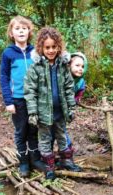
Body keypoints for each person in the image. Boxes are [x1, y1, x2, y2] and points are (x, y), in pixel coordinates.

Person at [24, 27, 81, 180]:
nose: (50, 50)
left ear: (58, 47)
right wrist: (33, 112)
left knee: (62, 136)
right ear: (41, 48)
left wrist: (70, 107)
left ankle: (66, 161)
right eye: (47, 47)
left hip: (60, 111)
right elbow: (30, 91)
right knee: (45, 139)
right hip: (43, 113)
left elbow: (69, 87)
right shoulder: (35, 68)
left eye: (54, 47)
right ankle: (49, 167)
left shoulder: (62, 66)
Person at [0, 16, 45, 178]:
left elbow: (42, 73)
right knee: (21, 131)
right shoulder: (8, 53)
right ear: (12, 33)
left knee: (33, 129)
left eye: (24, 28)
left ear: (29, 32)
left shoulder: (35, 52)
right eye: (17, 28)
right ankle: (24, 162)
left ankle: (35, 159)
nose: (21, 31)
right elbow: (4, 77)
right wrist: (8, 101)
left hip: (34, 99)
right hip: (17, 99)